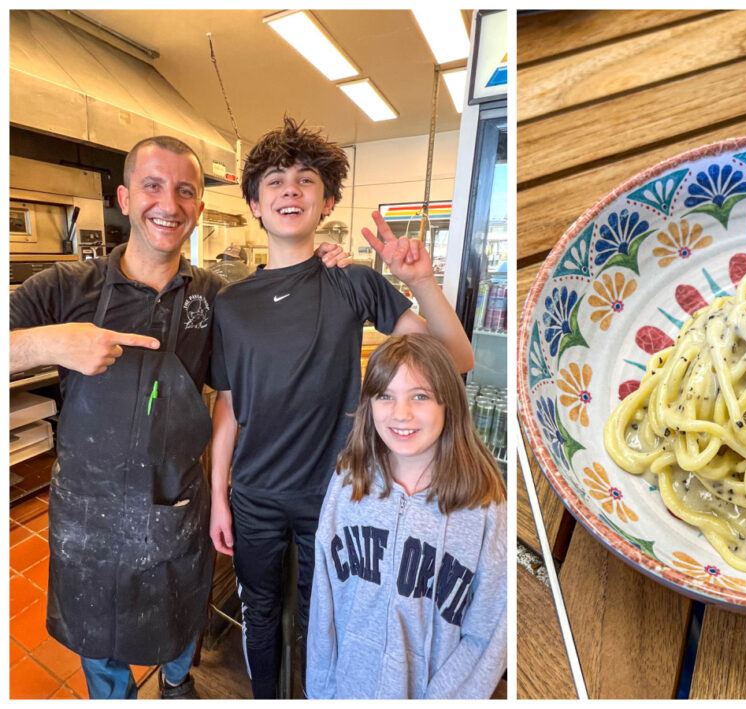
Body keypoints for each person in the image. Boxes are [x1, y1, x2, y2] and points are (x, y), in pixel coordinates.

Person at [208, 118, 474, 698]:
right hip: (253, 493)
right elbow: (227, 408)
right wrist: (217, 499)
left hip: (336, 492)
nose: (290, 190)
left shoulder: (353, 282)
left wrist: (422, 281)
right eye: (275, 181)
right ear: (254, 203)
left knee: (321, 615)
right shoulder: (231, 304)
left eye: (306, 181)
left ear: (327, 201)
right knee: (258, 610)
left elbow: (455, 360)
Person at [9, 136, 216, 699]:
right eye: (152, 186)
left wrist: (325, 270)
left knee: (177, 617)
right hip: (88, 511)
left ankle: (177, 684)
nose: (168, 204)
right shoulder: (64, 287)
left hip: (171, 499)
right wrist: (55, 343)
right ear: (125, 198)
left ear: (198, 207)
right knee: (97, 633)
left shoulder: (214, 298)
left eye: (184, 191)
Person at [306, 333, 506, 699]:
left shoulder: (485, 506)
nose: (401, 414)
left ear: (449, 403)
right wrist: (321, 691)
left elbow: (490, 630)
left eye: (420, 396)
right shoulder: (348, 480)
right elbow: (325, 599)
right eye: (386, 396)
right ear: (369, 404)